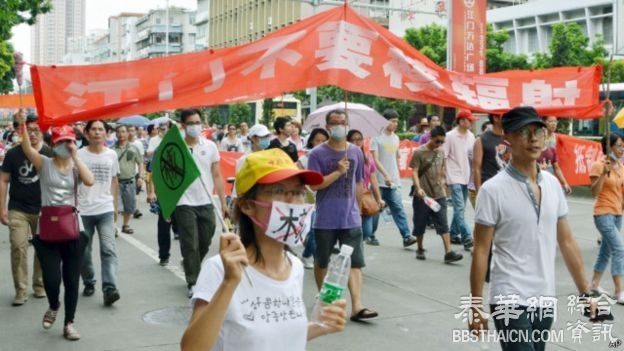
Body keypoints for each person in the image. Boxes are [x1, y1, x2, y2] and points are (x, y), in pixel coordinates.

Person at [180, 148, 346, 351]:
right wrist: (229, 282)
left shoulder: (294, 267)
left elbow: (277, 337)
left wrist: (322, 326)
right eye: (279, 191)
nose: (293, 201)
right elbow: (192, 348)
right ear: (247, 205)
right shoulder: (219, 269)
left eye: (299, 192)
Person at [470, 106, 597, 351]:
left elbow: (567, 241)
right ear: (507, 137)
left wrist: (586, 293)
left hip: (543, 295)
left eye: (538, 132)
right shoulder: (492, 190)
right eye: (523, 132)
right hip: (508, 294)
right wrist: (476, 306)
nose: (533, 139)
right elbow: (482, 250)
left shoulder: (552, 185)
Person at [21, 121, 94, 341]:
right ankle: (54, 305)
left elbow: (89, 181)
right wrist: (23, 124)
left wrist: (76, 157)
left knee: (72, 280)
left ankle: (69, 323)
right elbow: (26, 147)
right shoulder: (44, 163)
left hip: (73, 229)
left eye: (70, 141)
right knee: (52, 280)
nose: (66, 145)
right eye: (62, 141)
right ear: (54, 143)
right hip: (48, 231)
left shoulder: (76, 167)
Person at [308, 109, 378, 322]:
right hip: (325, 218)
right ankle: (326, 303)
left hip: (350, 218)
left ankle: (357, 305)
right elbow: (314, 185)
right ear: (328, 126)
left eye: (343, 122)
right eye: (335, 122)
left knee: (355, 262)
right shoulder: (317, 154)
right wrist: (337, 172)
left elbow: (358, 182)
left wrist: (357, 209)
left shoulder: (356, 152)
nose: (339, 126)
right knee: (322, 261)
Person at [0, 114, 52, 306]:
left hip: (44, 208)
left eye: (36, 130)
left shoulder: (49, 152)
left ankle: (39, 285)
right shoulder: (13, 154)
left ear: (42, 132)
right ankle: (20, 290)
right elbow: (3, 180)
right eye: (28, 130)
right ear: (22, 132)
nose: (33, 134)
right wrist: (2, 208)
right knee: (18, 246)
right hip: (18, 208)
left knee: (42, 248)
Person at [176, 109, 228, 297]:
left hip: (206, 200)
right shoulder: (177, 148)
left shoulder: (210, 146)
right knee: (190, 243)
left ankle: (191, 263)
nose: (195, 126)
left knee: (206, 239)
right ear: (183, 125)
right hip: (183, 202)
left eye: (198, 122)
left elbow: (216, 174)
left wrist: (223, 202)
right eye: (191, 123)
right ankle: (193, 281)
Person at [78, 120, 121, 306]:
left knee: (108, 249)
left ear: (106, 133)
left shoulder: (111, 155)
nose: (97, 132)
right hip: (83, 210)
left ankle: (109, 288)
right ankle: (89, 281)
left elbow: (114, 181)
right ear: (86, 133)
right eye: (93, 129)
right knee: (84, 251)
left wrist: (115, 206)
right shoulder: (78, 155)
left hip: (105, 208)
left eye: (100, 129)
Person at [410, 126, 463, 263]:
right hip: (423, 196)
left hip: (439, 194)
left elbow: (442, 169)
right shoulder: (419, 152)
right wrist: (419, 188)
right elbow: (414, 171)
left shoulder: (440, 151)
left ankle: (448, 252)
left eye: (442, 142)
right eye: (437, 141)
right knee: (420, 223)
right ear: (431, 138)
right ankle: (420, 248)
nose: (439, 144)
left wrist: (444, 183)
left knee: (443, 222)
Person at [371, 109, 417, 247]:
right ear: (385, 121)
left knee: (398, 208)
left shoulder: (396, 138)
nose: (395, 124)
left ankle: (406, 236)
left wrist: (396, 178)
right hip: (379, 181)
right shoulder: (376, 137)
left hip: (393, 182)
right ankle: (371, 235)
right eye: (392, 121)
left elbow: (395, 159)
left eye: (397, 121)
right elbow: (375, 160)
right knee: (375, 210)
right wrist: (385, 175)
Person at [588, 134, 624, 303]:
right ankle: (619, 291)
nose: (622, 149)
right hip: (603, 214)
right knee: (620, 249)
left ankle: (594, 285)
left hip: (617, 214)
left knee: (606, 251)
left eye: (623, 146)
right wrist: (603, 173)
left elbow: (621, 194)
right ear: (609, 147)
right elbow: (594, 191)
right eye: (619, 145)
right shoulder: (598, 165)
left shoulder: (621, 167)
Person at [297, 128, 330, 268]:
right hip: (307, 201)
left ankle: (314, 257)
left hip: (325, 200)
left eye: (324, 141)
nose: (320, 143)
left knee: (320, 232)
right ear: (311, 141)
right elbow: (296, 177)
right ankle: (309, 256)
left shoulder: (331, 159)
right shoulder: (304, 159)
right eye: (317, 140)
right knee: (312, 231)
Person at [444, 110, 476, 251]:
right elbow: (443, 157)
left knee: (460, 208)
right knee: (460, 208)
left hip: (466, 176)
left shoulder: (471, 136)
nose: (472, 122)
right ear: (461, 121)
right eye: (469, 120)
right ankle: (467, 236)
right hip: (454, 176)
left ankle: (453, 234)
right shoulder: (449, 136)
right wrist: (444, 177)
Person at [347, 129, 384, 246]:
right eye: (353, 140)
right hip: (349, 197)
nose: (356, 142)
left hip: (365, 196)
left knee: (367, 231)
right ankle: (353, 247)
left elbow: (373, 179)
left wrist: (378, 198)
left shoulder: (368, 158)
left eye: (359, 139)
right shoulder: (344, 157)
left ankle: (355, 245)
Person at [112, 125, 144, 234]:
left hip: (130, 181)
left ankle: (125, 225)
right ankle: (113, 227)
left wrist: (140, 177)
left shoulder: (133, 148)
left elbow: (140, 163)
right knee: (114, 206)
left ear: (127, 133)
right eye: (119, 132)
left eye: (123, 132)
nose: (121, 134)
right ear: (116, 134)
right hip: (115, 182)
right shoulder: (111, 149)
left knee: (129, 206)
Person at [472, 114, 506, 206]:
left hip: (507, 187)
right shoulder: (481, 140)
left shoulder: (511, 137)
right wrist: (479, 191)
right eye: (505, 115)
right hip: (489, 187)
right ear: (496, 118)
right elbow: (476, 168)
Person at [538, 116, 572, 195]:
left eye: (555, 121)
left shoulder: (555, 140)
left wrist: (565, 183)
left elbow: (556, 166)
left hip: (549, 178)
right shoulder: (532, 149)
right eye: (550, 121)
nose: (553, 124)